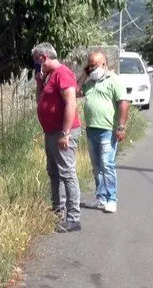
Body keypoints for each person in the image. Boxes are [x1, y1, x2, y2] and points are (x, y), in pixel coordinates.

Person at [32, 42, 82, 233]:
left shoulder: (63, 73)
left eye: (37, 62)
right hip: (51, 132)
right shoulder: (48, 76)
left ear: (43, 58)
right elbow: (40, 100)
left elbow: (71, 104)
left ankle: (73, 218)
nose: (37, 65)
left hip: (62, 132)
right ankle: (57, 211)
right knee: (53, 172)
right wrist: (38, 81)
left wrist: (66, 133)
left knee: (67, 174)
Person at [77, 51, 129, 213]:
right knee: (96, 166)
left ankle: (112, 198)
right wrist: (84, 74)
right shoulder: (90, 81)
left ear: (104, 64)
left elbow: (123, 103)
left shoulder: (114, 80)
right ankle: (101, 198)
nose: (92, 68)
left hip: (107, 130)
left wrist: (120, 126)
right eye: (89, 65)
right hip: (91, 129)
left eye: (94, 65)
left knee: (107, 164)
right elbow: (76, 91)